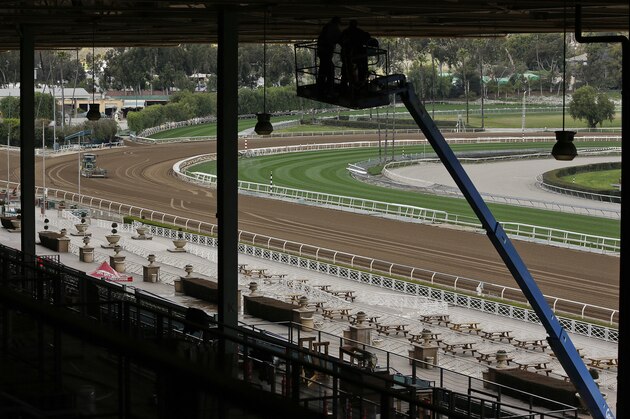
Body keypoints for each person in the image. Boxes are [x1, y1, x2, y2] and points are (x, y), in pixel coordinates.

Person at [340, 19, 372, 89]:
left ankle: (345, 84)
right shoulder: (359, 32)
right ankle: (360, 84)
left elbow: (341, 42)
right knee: (360, 68)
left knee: (346, 69)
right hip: (356, 55)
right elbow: (367, 38)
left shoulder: (346, 32)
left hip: (348, 54)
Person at [316, 17, 341, 93]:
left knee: (323, 68)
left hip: (322, 50)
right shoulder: (333, 27)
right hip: (326, 51)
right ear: (337, 22)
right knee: (329, 68)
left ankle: (321, 85)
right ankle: (329, 87)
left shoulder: (327, 26)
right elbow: (338, 37)